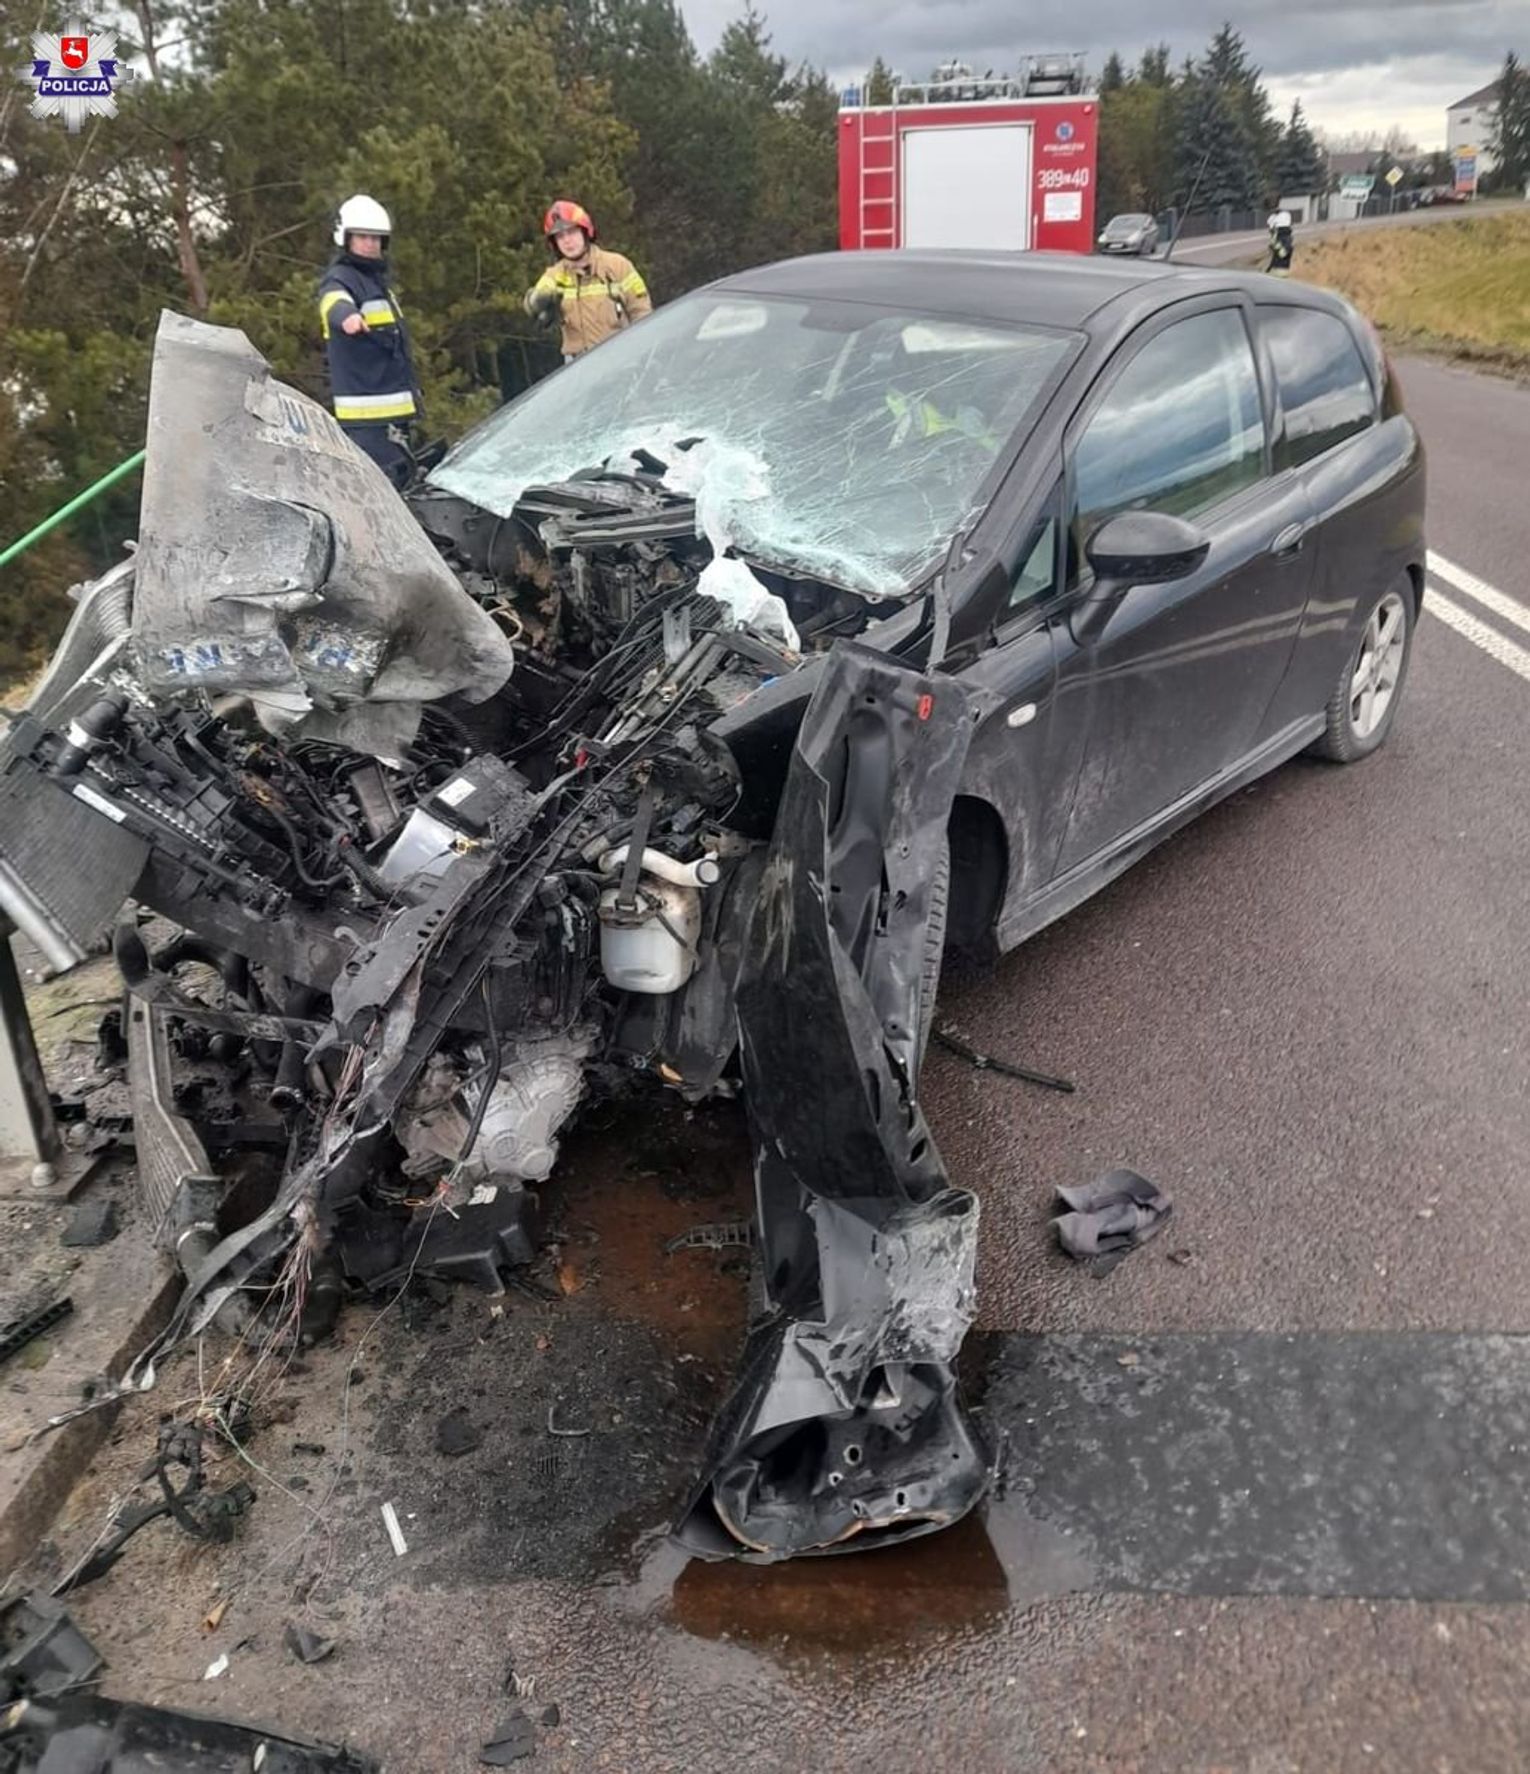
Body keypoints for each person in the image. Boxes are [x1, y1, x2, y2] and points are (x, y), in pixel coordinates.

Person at [317, 194, 421, 488]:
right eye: (362, 237)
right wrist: (347, 316)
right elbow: (333, 302)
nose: (370, 244)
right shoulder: (341, 278)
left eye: (376, 238)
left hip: (394, 419)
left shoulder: (377, 283)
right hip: (368, 423)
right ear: (346, 238)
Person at [524, 201, 651, 361]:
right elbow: (534, 300)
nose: (567, 241)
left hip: (622, 358)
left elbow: (642, 312)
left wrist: (644, 352)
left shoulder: (618, 265)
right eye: (560, 236)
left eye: (571, 232)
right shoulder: (555, 275)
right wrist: (536, 302)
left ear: (585, 231)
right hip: (579, 365)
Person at [1266, 205, 1295, 276]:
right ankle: (1279, 269)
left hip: (1280, 233)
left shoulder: (1273, 218)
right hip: (1285, 233)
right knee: (1284, 250)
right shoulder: (1286, 214)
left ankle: (1275, 268)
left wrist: (1272, 241)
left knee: (1280, 251)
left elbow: (1271, 229)